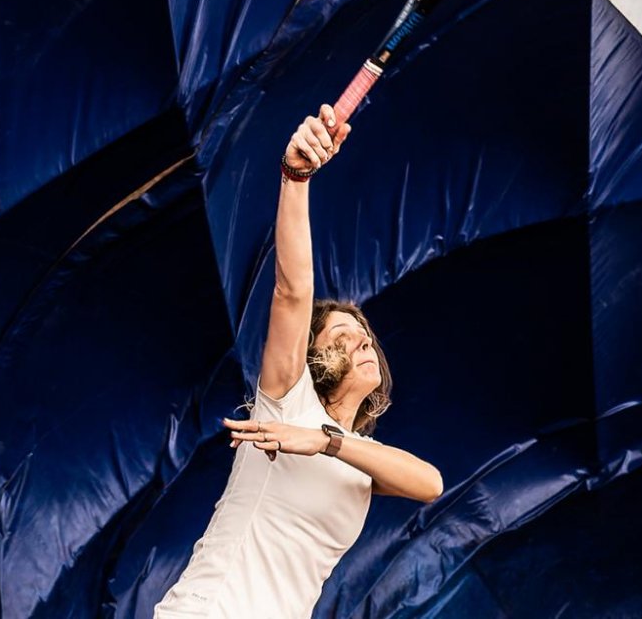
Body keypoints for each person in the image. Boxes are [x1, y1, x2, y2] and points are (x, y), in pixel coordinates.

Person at [155, 104, 444, 618]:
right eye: (342, 335)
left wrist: (326, 442)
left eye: (364, 336)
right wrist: (296, 175)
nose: (361, 342)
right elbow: (292, 291)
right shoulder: (288, 397)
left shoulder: (355, 455)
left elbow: (430, 483)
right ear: (311, 359)